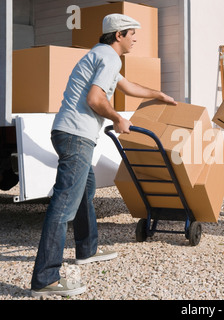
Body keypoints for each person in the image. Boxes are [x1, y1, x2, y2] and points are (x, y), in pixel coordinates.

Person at [31, 14, 177, 297]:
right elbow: (95, 99)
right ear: (119, 35)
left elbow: (126, 85)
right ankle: (45, 279)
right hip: (77, 135)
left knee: (85, 191)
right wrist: (118, 118)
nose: (136, 39)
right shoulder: (110, 58)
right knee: (63, 207)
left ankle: (86, 250)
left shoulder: (101, 55)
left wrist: (158, 94)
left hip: (69, 132)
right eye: (133, 34)